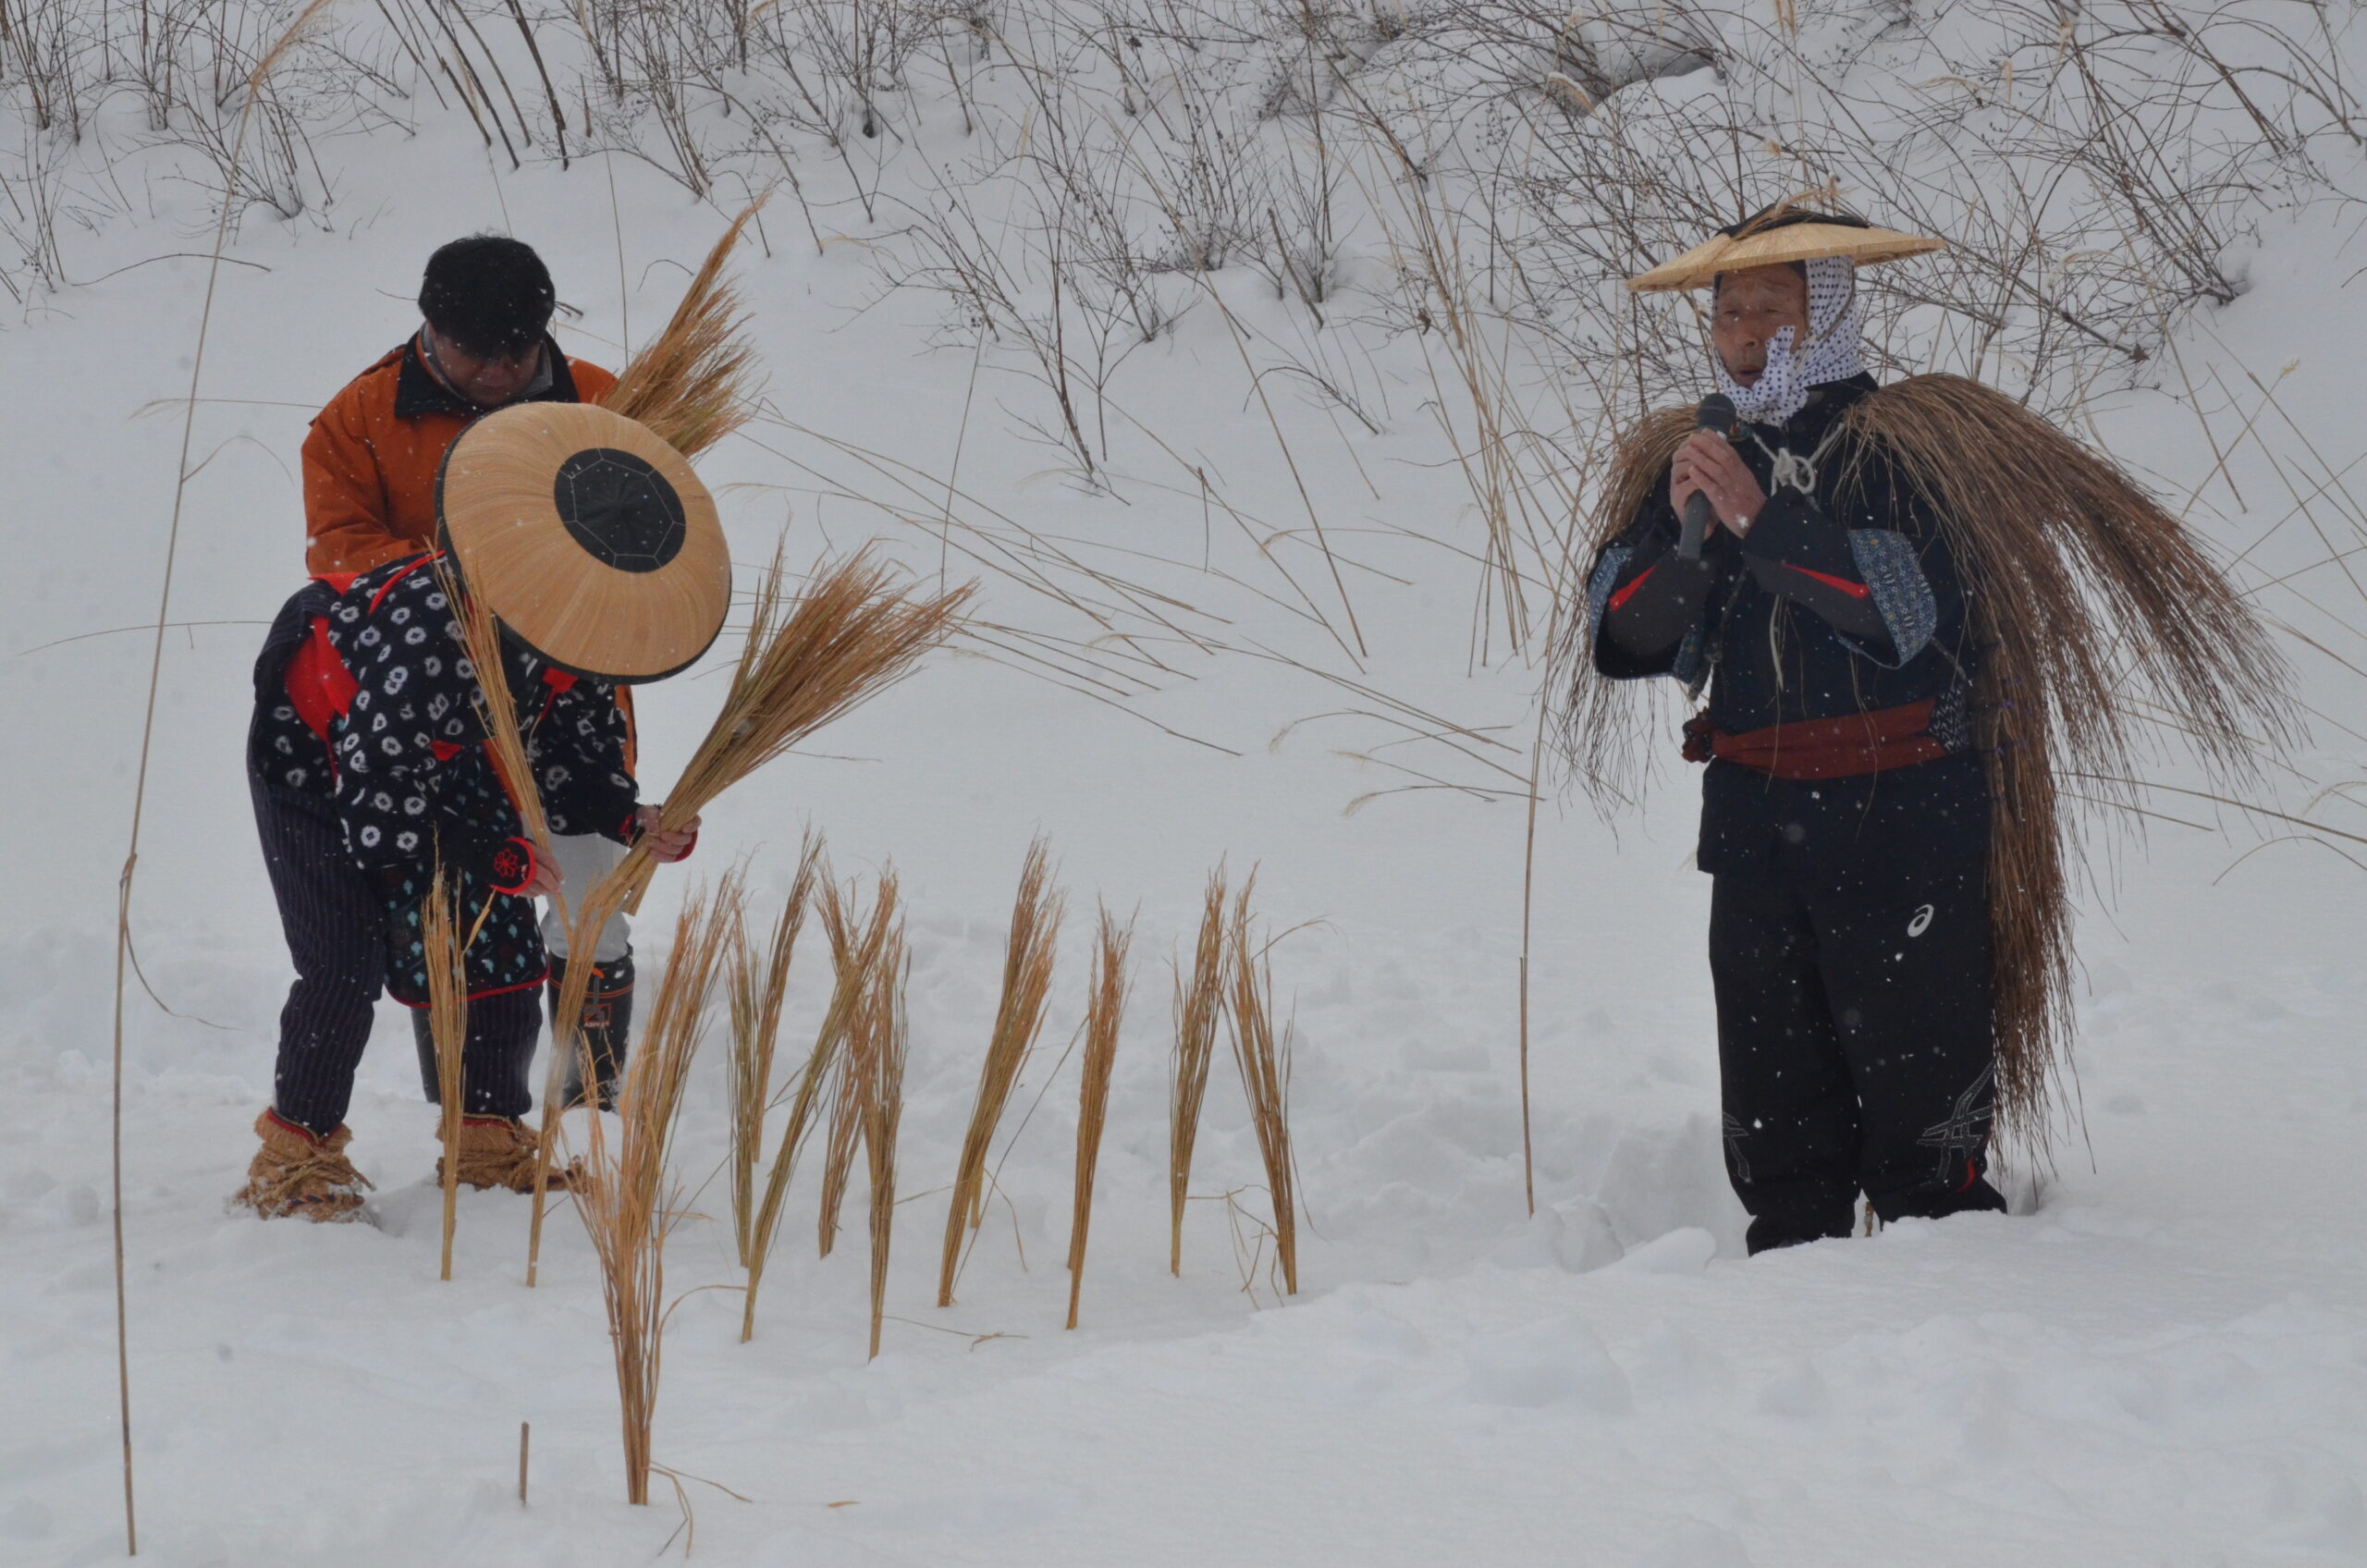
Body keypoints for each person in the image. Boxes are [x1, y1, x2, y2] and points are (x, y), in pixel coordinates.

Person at [1565, 200, 2287, 1253]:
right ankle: (1782, 1313)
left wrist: (1763, 520)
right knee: (1779, 1125)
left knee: (1925, 1139)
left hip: (1900, 825)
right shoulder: (1698, 460)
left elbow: (1901, 615)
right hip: (1756, 832)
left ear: (1830, 316)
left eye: (1771, 306)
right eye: (1726, 313)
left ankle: (1952, 1324)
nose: (1744, 330)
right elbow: (1619, 641)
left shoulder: (1911, 446)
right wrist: (1690, 542)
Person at [240, 390, 730, 1220]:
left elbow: (568, 757)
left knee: (502, 947)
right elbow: (380, 794)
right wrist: (493, 852)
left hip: (450, 762)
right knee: (343, 961)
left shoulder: (574, 631)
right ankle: (296, 1154)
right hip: (321, 770)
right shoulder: (429, 629)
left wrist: (632, 820)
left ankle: (488, 1139)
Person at [299, 234, 643, 1120]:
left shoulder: (605, 403)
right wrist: (476, 582)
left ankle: (590, 1096)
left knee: (587, 891)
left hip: (569, 696)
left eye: (517, 353)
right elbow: (339, 560)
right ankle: (480, 1107)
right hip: (431, 713)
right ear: (429, 330)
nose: (496, 372)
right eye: (474, 354)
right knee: (466, 900)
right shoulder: (359, 417)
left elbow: (654, 535)